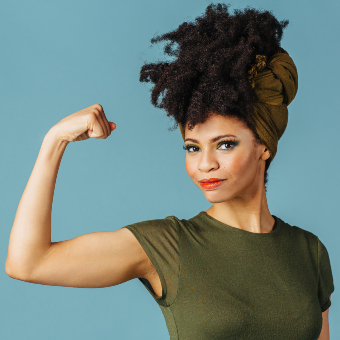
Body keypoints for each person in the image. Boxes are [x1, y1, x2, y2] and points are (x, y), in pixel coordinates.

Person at [5, 3, 334, 340]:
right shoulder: (169, 246)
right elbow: (28, 262)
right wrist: (54, 140)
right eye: (193, 147)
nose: (204, 163)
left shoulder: (310, 252)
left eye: (225, 144)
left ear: (263, 146)